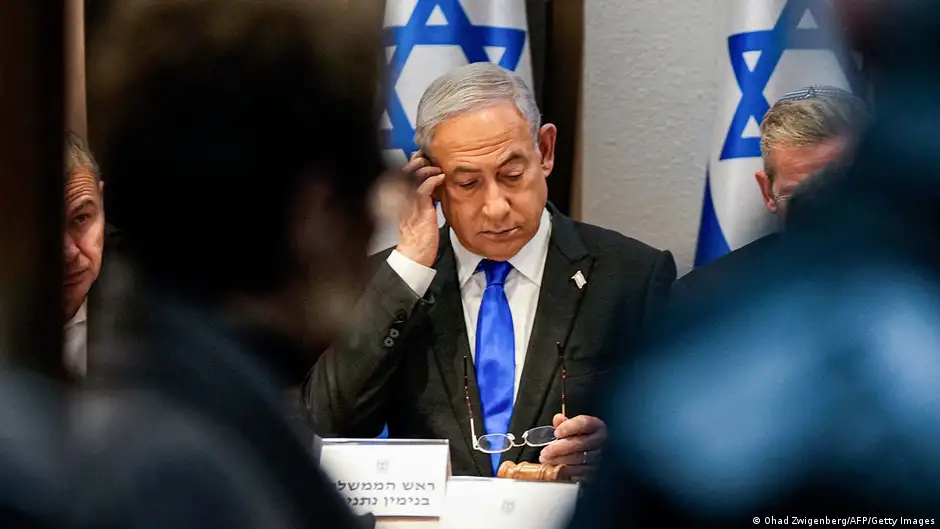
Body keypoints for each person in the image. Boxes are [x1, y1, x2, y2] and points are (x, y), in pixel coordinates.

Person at [568, 1, 940, 525]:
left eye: (832, 188)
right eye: (801, 195)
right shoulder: (706, 308)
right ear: (766, 190)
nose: (821, 212)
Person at [65, 0, 384, 527]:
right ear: (319, 214)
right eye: (371, 188)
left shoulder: (143, 417)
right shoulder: (191, 485)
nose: (376, 222)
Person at [305, 62, 676, 479]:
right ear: (432, 180)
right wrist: (410, 269)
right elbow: (327, 423)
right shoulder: (389, 284)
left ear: (546, 151)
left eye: (512, 175)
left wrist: (615, 449)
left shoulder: (632, 276)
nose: (496, 207)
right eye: (467, 184)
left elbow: (682, 441)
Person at [671, 86, 870, 300]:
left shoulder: (909, 284)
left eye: (839, 190)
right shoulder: (708, 299)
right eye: (798, 196)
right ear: (767, 193)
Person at [62, 130, 121, 380]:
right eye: (40, 226)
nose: (69, 253)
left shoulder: (150, 297)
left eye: (81, 218)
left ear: (101, 200)